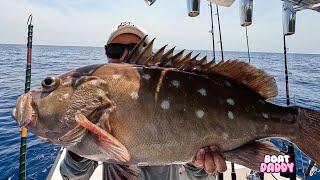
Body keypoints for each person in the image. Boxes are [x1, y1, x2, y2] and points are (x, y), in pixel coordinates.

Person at [60, 22, 227, 180]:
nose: (125, 56)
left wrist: (197, 164)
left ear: (151, 56)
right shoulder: (97, 103)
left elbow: (203, 177)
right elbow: (73, 177)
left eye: (134, 49)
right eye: (115, 49)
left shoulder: (175, 94)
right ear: (107, 56)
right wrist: (78, 145)